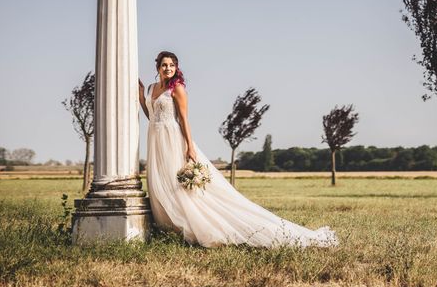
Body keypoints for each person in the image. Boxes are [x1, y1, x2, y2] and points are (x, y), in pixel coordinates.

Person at [138, 51, 338, 248]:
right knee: (159, 182)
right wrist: (141, 97)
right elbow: (152, 115)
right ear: (158, 67)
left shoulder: (177, 89)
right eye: (165, 65)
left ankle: (189, 225)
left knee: (177, 184)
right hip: (155, 140)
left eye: (172, 65)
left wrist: (190, 146)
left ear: (176, 68)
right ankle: (168, 227)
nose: (168, 69)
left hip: (173, 139)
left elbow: (183, 119)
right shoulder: (151, 88)